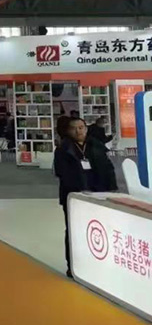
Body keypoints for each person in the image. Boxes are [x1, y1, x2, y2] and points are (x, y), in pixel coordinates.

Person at [54, 117, 117, 278]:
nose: (78, 131)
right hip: (74, 196)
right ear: (68, 131)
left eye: (81, 127)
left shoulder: (96, 145)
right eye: (74, 128)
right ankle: (73, 265)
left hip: (98, 194)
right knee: (74, 230)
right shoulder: (63, 149)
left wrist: (110, 190)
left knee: (98, 230)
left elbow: (108, 168)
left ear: (86, 128)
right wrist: (79, 190)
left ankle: (96, 262)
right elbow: (61, 173)